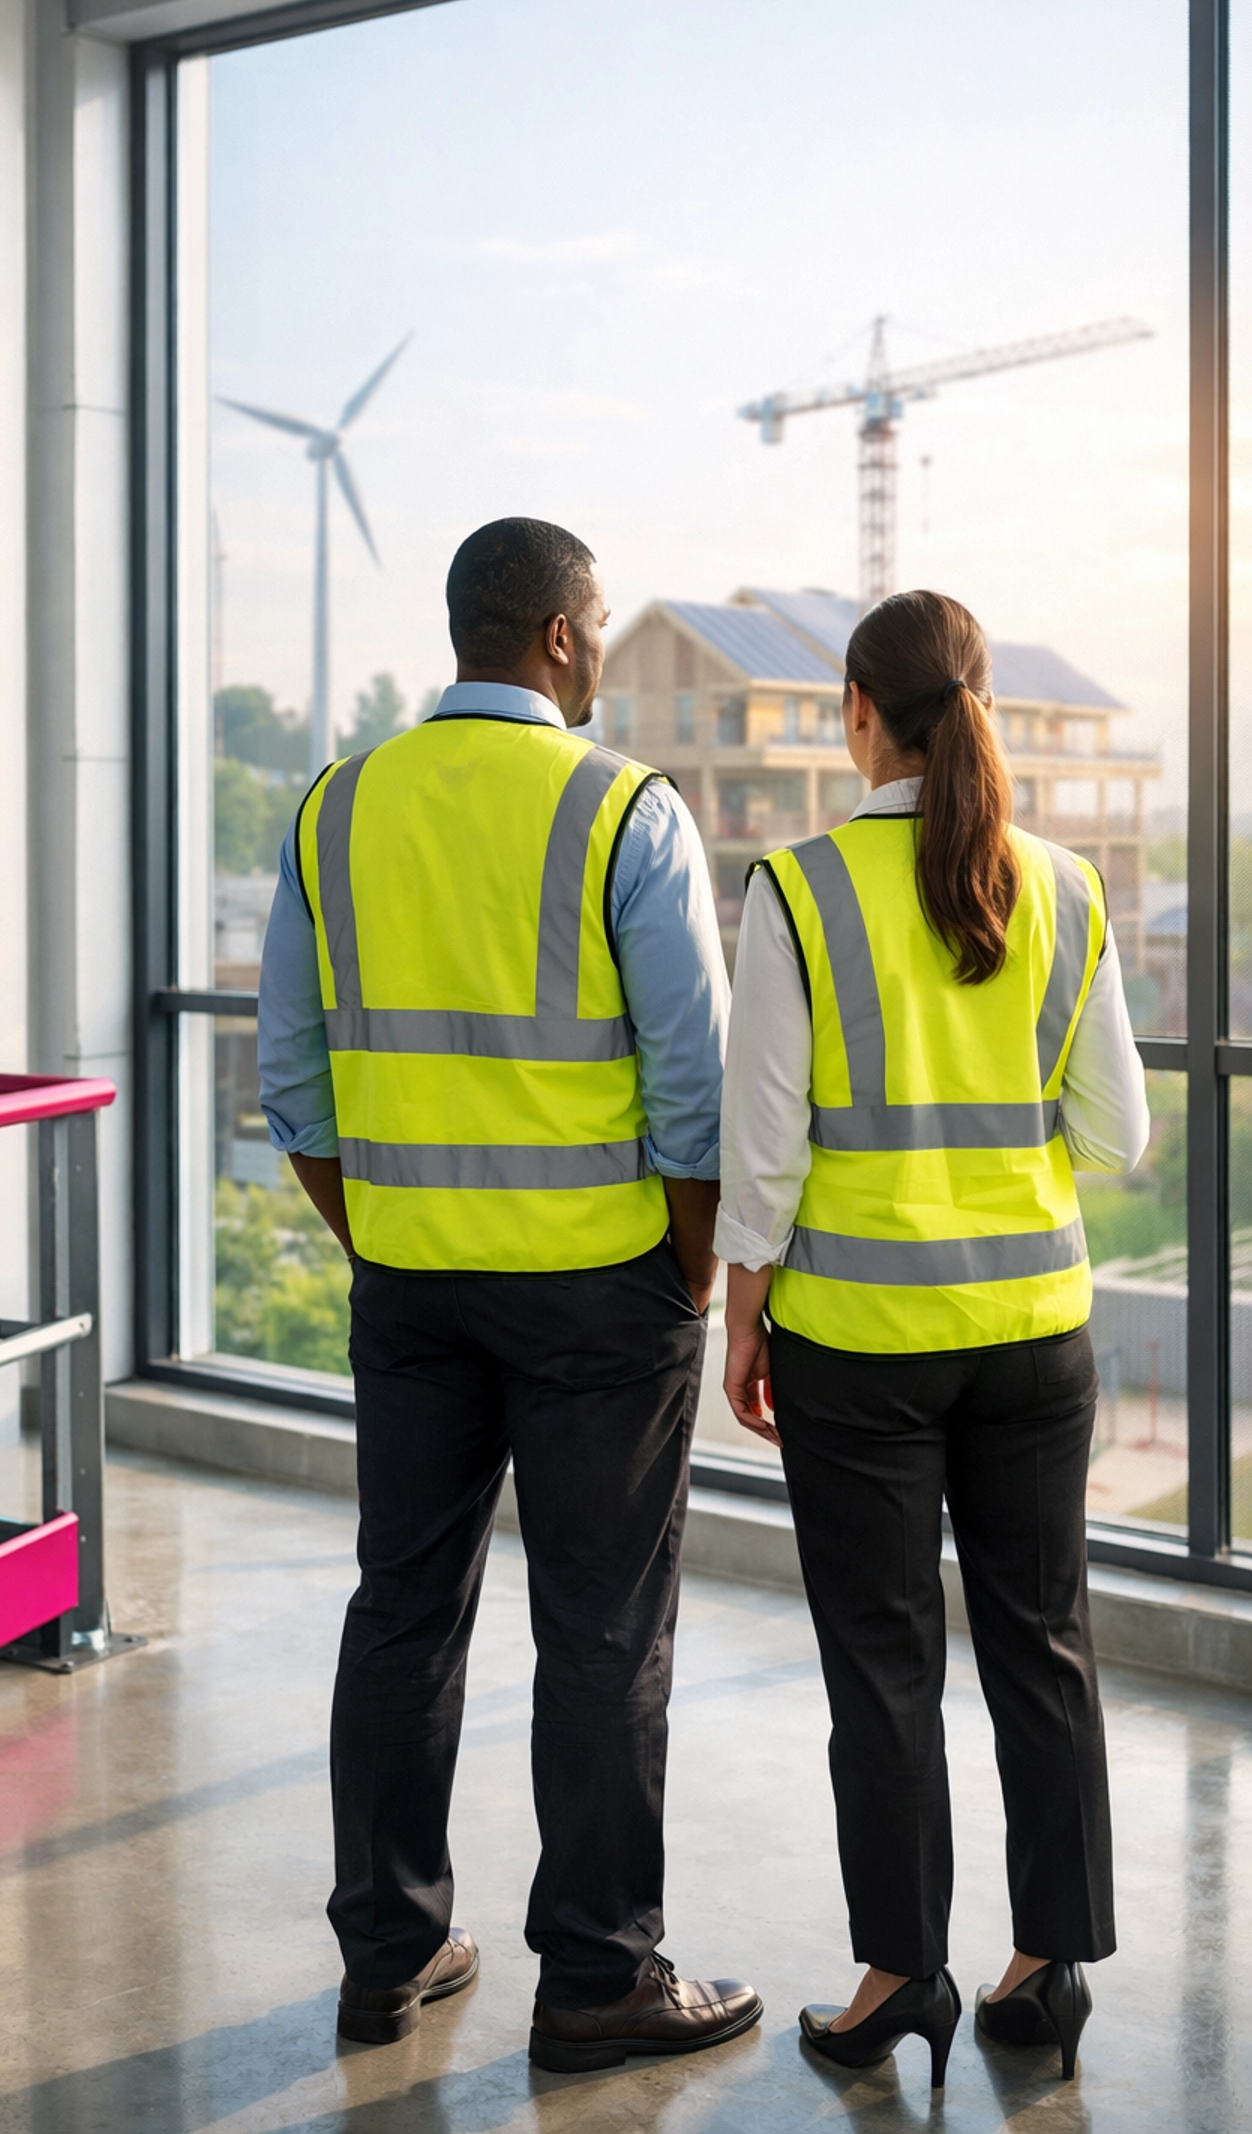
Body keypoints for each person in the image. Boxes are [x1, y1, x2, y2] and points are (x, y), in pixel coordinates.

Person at [258, 517, 763, 2073]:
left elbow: (293, 1081)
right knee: (603, 1628)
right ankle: (599, 1975)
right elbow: (694, 1086)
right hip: (600, 1295)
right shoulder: (622, 812)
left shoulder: (337, 804)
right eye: (598, 621)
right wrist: (687, 1271)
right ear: (555, 636)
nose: (603, 644)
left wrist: (386, 1235)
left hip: (412, 1283)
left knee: (401, 1608)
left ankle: (385, 1955)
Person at [719, 589, 1148, 2091]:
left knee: (885, 1665)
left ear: (857, 712)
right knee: (1044, 1646)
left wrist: (743, 1316)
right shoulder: (1067, 888)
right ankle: (1052, 1966)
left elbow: (762, 1150)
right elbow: (1122, 1132)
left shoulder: (801, 889)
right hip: (1038, 1335)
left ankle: (902, 1977)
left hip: (861, 1350)